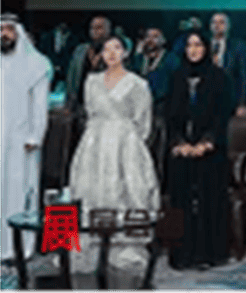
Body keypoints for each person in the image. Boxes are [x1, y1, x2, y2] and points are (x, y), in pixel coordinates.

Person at [68, 35, 160, 272]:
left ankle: (125, 246)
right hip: (94, 141)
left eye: (117, 48)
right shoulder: (91, 81)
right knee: (89, 189)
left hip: (125, 142)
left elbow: (143, 121)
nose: (111, 53)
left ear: (125, 52)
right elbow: (90, 111)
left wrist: (127, 142)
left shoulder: (137, 84)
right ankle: (90, 243)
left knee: (128, 191)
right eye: (106, 49)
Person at [165, 30, 233, 269]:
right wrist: (179, 143)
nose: (193, 50)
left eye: (198, 45)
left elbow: (222, 114)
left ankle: (209, 254)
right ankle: (182, 255)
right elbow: (169, 115)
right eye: (189, 45)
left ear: (206, 48)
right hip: (181, 150)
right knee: (181, 202)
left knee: (208, 201)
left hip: (211, 150)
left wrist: (206, 142)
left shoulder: (219, 77)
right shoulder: (176, 76)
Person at [0, 14, 51, 258]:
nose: (4, 34)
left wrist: (34, 136)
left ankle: (16, 248)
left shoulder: (36, 64)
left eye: (9, 30)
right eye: (1, 30)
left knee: (18, 193)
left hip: (20, 141)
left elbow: (40, 106)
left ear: (19, 33)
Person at [65, 15, 112, 115]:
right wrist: (69, 104)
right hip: (81, 106)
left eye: (99, 28)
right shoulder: (80, 50)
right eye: (92, 28)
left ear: (108, 31)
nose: (94, 31)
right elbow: (71, 77)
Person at [209, 12, 246, 116]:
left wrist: (242, 103)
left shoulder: (238, 46)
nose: (217, 25)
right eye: (214, 22)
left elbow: (243, 76)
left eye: (221, 22)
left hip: (229, 100)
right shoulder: (202, 44)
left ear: (228, 26)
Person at [130, 28, 180, 117]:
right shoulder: (139, 59)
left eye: (155, 37)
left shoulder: (171, 59)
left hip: (163, 108)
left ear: (163, 40)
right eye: (148, 36)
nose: (150, 40)